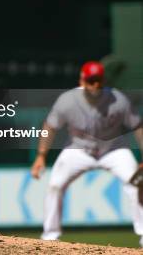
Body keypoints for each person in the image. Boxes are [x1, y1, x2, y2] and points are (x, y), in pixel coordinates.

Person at [30, 61, 143, 245]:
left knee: (138, 183)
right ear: (82, 80)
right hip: (79, 149)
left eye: (98, 80)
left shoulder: (118, 100)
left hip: (113, 149)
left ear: (103, 80)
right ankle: (50, 237)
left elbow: (138, 126)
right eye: (91, 80)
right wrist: (41, 156)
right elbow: (50, 126)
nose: (95, 84)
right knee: (55, 185)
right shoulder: (67, 100)